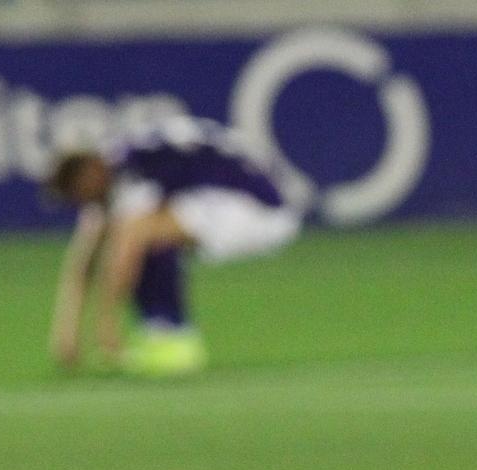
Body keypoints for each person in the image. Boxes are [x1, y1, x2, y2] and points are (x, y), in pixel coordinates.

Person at [43, 116, 300, 378]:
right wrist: (66, 330)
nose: (77, 202)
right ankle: (165, 338)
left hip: (257, 206)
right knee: (145, 232)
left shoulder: (132, 169)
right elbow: (84, 259)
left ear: (89, 173)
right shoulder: (115, 168)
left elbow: (127, 246)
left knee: (142, 232)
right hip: (222, 201)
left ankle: (173, 341)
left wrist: (106, 325)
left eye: (74, 192)